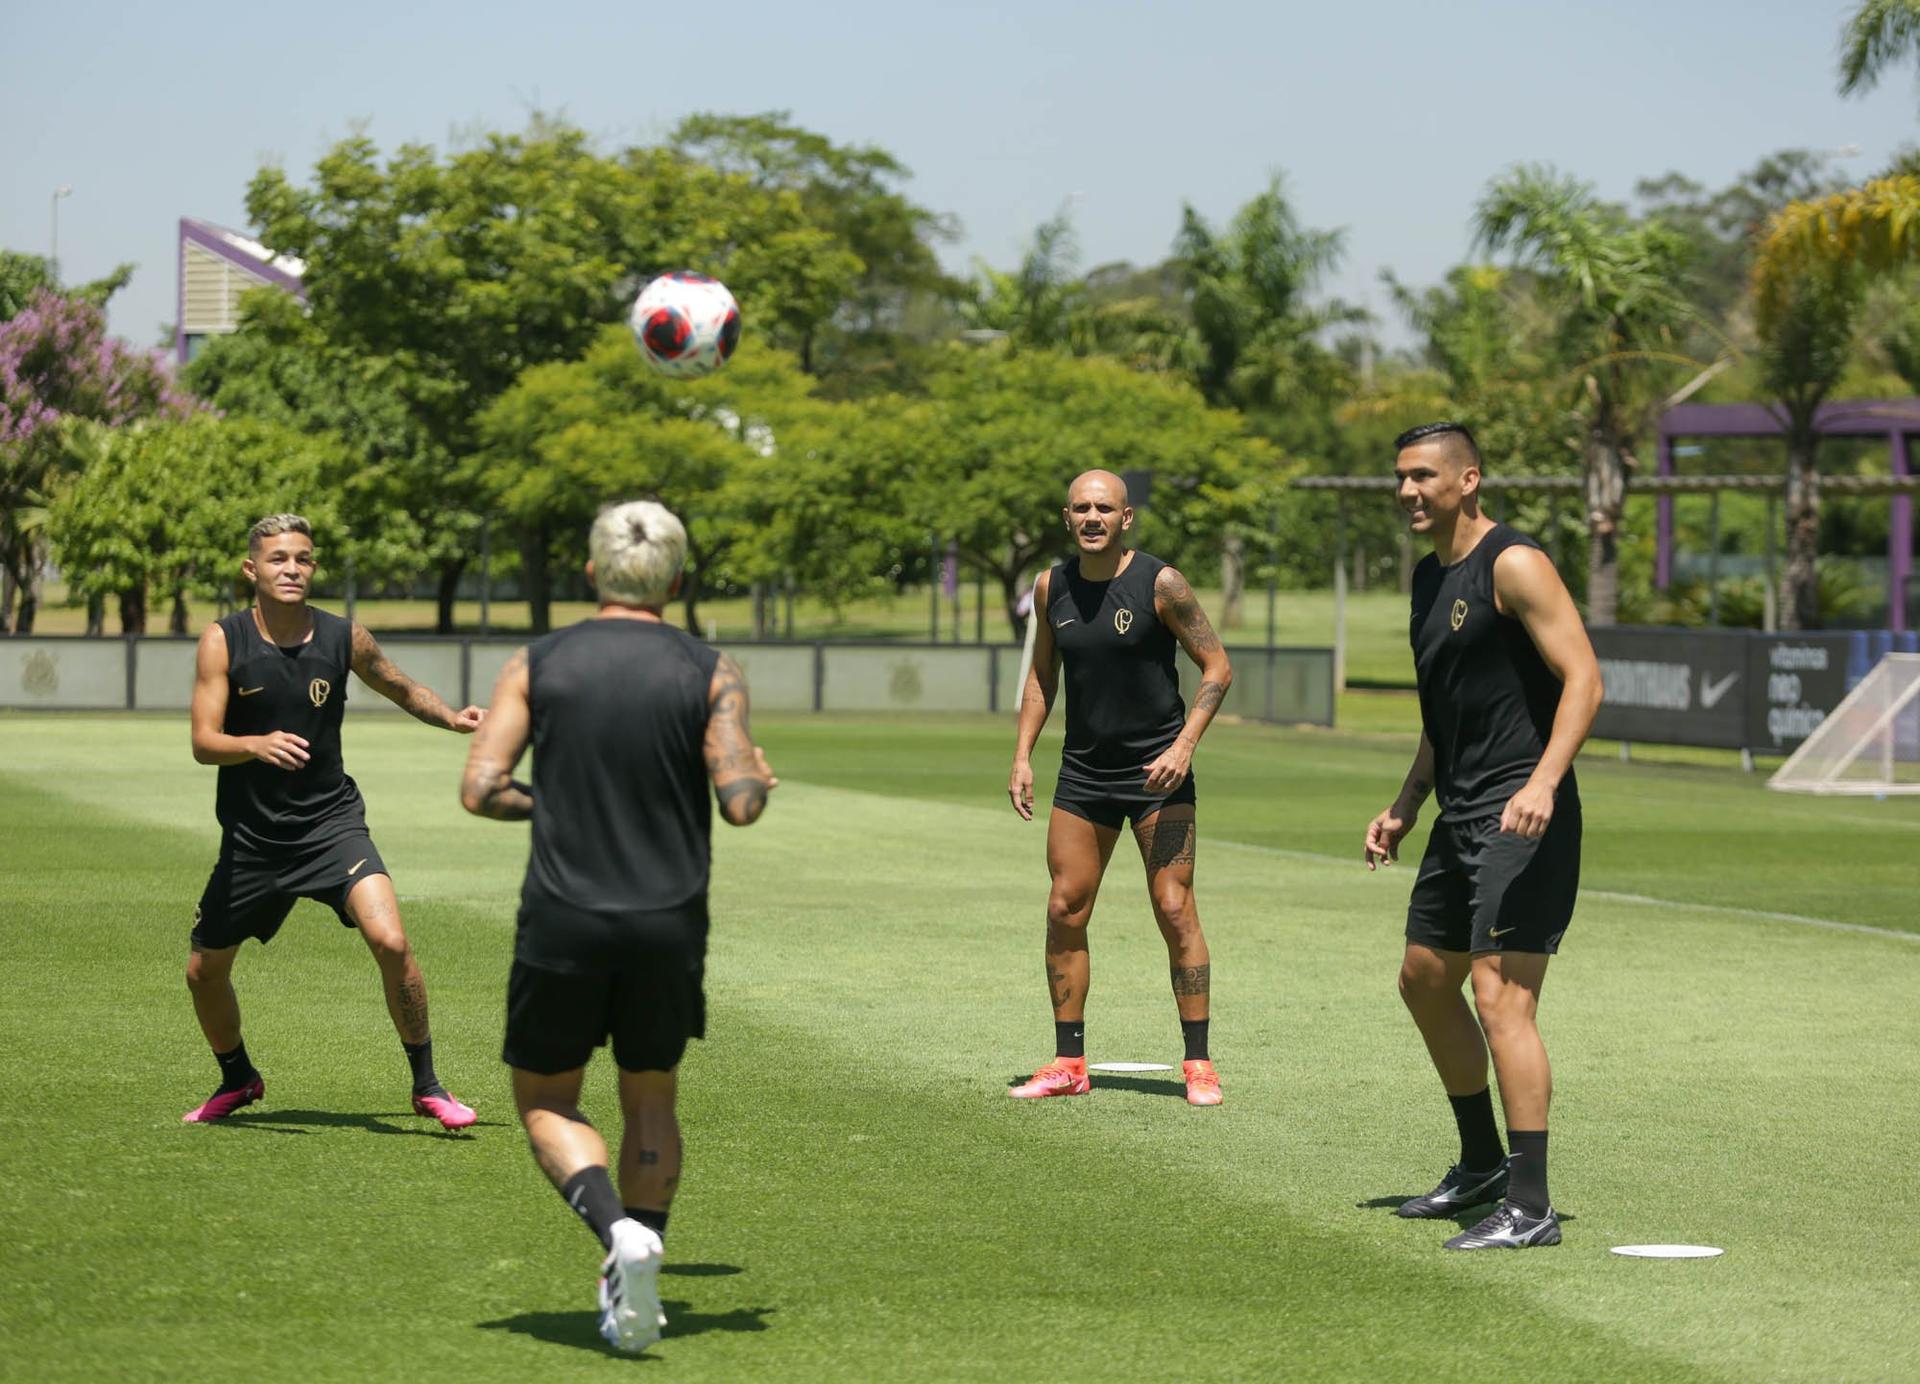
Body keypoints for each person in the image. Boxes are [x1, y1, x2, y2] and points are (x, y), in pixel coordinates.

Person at [459, 499, 776, 1354]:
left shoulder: (538, 661)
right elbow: (740, 802)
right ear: (676, 581)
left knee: (548, 1099)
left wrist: (556, 803)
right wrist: (756, 775)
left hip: (565, 914)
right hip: (668, 923)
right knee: (652, 1093)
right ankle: (644, 1254)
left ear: (591, 572)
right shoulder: (714, 669)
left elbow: (482, 789)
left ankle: (617, 1236)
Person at [1364, 423, 1603, 1250]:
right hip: (1459, 812)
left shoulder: (1515, 563)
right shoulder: (1429, 582)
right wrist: (1404, 806)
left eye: (1424, 476)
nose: (1407, 491)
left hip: (1522, 812)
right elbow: (1444, 717)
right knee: (1425, 980)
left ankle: (1531, 1208)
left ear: (1469, 480)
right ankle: (1481, 1166)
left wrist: (1542, 781)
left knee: (1503, 998)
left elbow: (1585, 678)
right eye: (1400, 477)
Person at [183, 514, 484, 1128]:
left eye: (303, 558)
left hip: (330, 824)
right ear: (252, 570)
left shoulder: (343, 636)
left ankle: (428, 1086)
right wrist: (255, 744)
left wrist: (451, 717)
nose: (292, 568)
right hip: (254, 837)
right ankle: (239, 1079)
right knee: (203, 973)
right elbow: (202, 741)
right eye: (277, 559)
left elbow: (398, 686)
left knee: (392, 941)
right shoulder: (224, 640)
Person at [1007, 470, 1233, 1106]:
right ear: (1067, 516)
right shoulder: (1052, 585)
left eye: (1104, 508)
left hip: (1158, 776)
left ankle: (1199, 1065)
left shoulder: (1161, 583)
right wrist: (1022, 754)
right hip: (1083, 773)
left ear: (1125, 518)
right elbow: (1040, 680)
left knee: (1173, 907)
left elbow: (1217, 665)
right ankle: (1068, 1062)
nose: (1092, 517)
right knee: (1064, 907)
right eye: (1081, 508)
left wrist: (1184, 746)